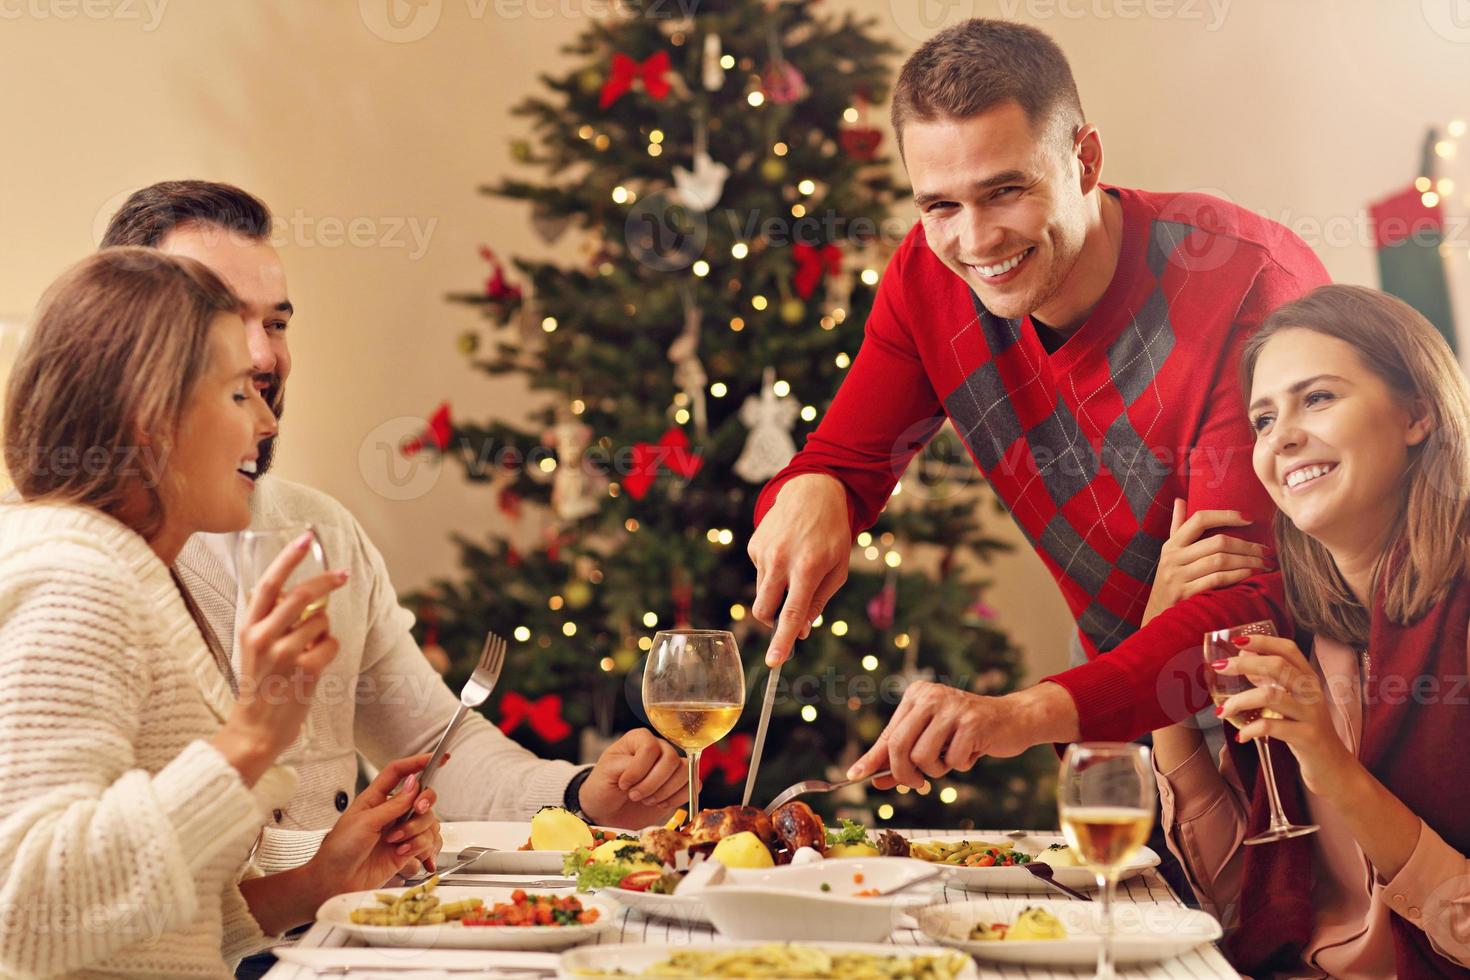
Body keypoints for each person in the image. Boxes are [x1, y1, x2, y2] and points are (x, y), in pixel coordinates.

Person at [745, 19, 1327, 788]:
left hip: (1320, 718)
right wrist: (814, 491)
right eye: (940, 205)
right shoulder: (929, 277)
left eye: (1006, 191)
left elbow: (1248, 615)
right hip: (1132, 715)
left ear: (1084, 160)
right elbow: (844, 464)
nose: (975, 240)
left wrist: (1018, 715)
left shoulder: (1243, 287)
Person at [101, 181, 690, 879]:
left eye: (278, 323)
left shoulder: (318, 530)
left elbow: (439, 745)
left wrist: (581, 795)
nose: (263, 356)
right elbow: (85, 872)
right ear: (130, 339)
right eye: (225, 322)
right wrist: (313, 869)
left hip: (342, 930)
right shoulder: (77, 561)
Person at [0, 250, 442, 978]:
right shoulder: (75, 582)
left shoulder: (129, 570)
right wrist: (247, 742)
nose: (266, 421)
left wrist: (318, 885)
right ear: (152, 419)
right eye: (240, 394)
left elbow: (151, 929)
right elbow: (28, 913)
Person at [1146, 284, 1470, 978]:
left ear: (1417, 412)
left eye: (1317, 398)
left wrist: (1331, 764)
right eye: (1264, 419)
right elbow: (1244, 899)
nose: (1282, 436)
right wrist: (1162, 659)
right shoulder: (1305, 634)